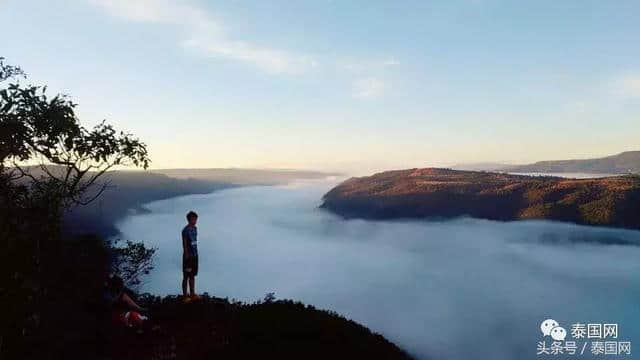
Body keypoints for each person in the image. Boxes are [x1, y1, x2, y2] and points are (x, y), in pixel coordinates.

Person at [182, 210, 201, 303]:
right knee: (186, 276)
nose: (195, 221)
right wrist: (186, 256)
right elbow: (184, 244)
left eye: (196, 219)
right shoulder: (185, 230)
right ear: (189, 219)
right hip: (188, 256)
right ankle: (185, 296)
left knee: (193, 275)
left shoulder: (195, 228)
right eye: (194, 219)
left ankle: (192, 294)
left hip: (195, 255)